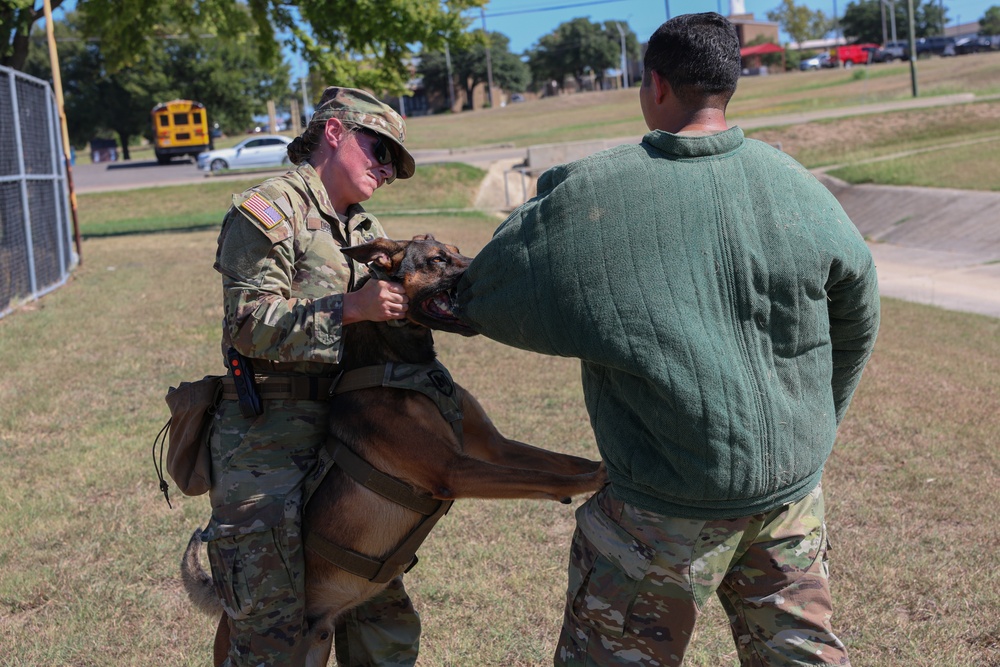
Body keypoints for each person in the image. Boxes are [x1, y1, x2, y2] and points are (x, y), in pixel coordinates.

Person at [456, 13, 879, 667]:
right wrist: (816, 423)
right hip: (791, 498)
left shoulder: (596, 192)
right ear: (727, 83)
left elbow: (488, 291)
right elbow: (859, 313)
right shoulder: (799, 185)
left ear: (655, 83)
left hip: (658, 509)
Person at [203, 87, 422, 667]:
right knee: (271, 630)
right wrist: (351, 309)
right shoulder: (270, 209)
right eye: (378, 148)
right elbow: (247, 324)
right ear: (334, 133)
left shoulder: (362, 224)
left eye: (394, 164)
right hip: (266, 440)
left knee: (379, 611)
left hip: (350, 436)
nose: (384, 167)